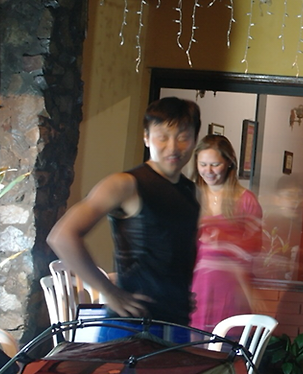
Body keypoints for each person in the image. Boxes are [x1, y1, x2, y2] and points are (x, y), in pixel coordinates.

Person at [47, 97, 202, 339]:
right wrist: (109, 292)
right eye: (162, 137)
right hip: (130, 327)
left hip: (177, 324)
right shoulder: (126, 184)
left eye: (183, 137)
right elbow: (62, 236)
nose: (173, 147)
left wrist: (178, 291)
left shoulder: (191, 192)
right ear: (146, 137)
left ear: (194, 140)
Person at [191, 133, 264, 332]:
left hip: (232, 287)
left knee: (227, 341)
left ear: (229, 163)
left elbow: (255, 248)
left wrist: (226, 241)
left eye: (215, 164)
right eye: (203, 164)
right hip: (195, 286)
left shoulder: (246, 200)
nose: (208, 171)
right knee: (192, 343)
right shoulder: (190, 196)